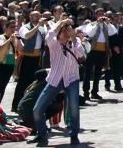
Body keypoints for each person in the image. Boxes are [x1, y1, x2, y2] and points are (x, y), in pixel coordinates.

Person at [32, 17, 84, 146]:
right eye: (64, 31)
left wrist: (74, 38)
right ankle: (42, 134)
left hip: (72, 78)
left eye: (68, 30)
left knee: (73, 108)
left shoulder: (74, 42)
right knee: (37, 109)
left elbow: (82, 55)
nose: (66, 32)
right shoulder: (54, 44)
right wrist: (60, 23)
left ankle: (74, 134)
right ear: (59, 33)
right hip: (55, 79)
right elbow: (49, 35)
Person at [12, 10, 47, 110]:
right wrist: (37, 26)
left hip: (38, 58)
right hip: (27, 57)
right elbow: (27, 36)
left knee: (34, 82)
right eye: (34, 16)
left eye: (38, 15)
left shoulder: (42, 28)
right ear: (30, 17)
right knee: (23, 82)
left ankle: (29, 104)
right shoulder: (25, 27)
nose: (36, 17)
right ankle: (16, 105)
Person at [81, 11, 116, 101]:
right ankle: (86, 92)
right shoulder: (91, 24)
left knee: (98, 72)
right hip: (91, 50)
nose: (101, 16)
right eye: (99, 14)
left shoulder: (106, 25)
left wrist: (108, 23)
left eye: (102, 14)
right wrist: (97, 24)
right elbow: (90, 33)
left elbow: (113, 32)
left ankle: (95, 92)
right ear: (96, 15)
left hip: (102, 50)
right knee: (88, 72)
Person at [0, 19, 18, 100]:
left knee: (2, 88)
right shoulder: (0, 37)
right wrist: (9, 39)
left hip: (9, 66)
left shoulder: (15, 38)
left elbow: (20, 49)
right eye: (11, 27)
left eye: (15, 27)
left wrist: (18, 40)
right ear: (6, 28)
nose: (13, 29)